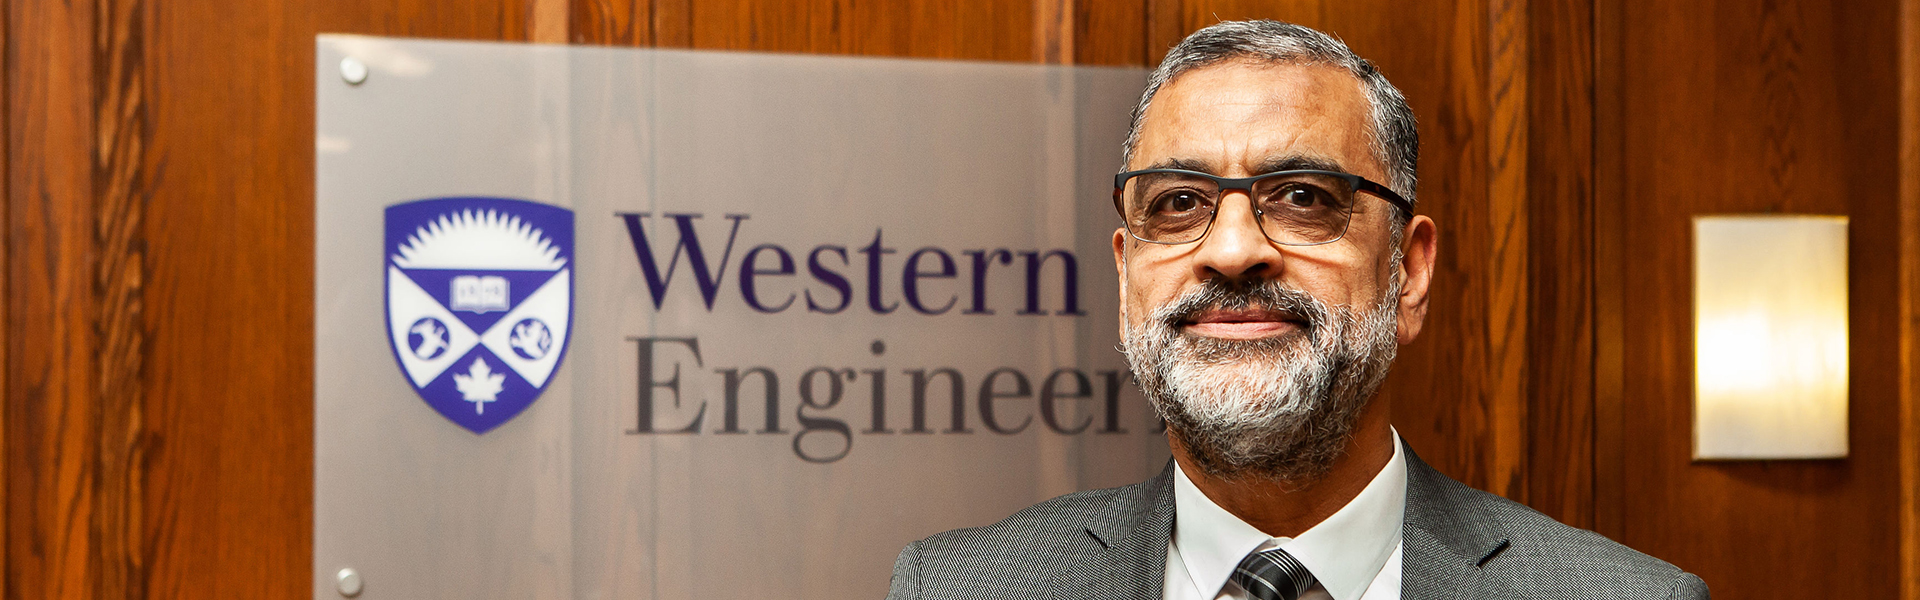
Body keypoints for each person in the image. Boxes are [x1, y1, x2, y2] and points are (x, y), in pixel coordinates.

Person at [886, 19, 1707, 600]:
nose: (1231, 249)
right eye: (1178, 202)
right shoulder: (957, 589)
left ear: (1409, 272)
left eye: (1304, 196)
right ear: (1126, 272)